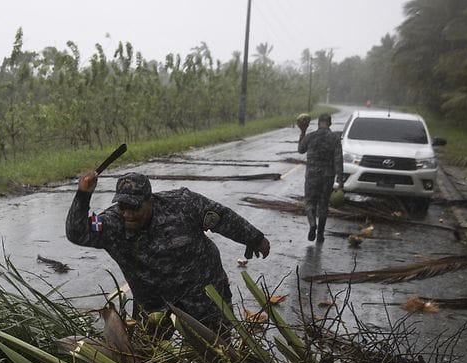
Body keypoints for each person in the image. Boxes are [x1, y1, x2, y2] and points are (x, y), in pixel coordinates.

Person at [65, 171, 270, 331]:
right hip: (154, 305)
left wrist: (255, 238)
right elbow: (77, 232)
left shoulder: (183, 203)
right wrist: (83, 194)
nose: (127, 214)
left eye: (134, 207)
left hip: (202, 294)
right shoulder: (113, 224)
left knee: (217, 354)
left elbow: (222, 217)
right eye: (122, 206)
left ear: (150, 201)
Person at [297, 113, 343, 242]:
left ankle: (312, 224)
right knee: (323, 205)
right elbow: (338, 159)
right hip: (327, 177)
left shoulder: (311, 136)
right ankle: (320, 234)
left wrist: (303, 132)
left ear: (318, 123)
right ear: (330, 123)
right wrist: (340, 181)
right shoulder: (334, 138)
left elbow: (300, 149)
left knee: (309, 202)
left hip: (312, 175)